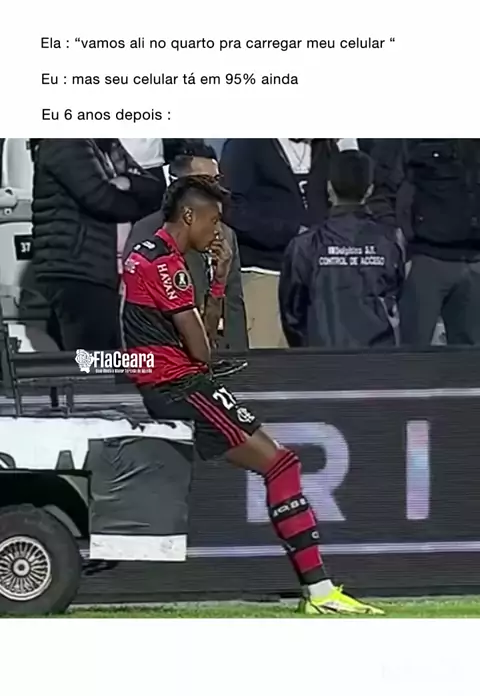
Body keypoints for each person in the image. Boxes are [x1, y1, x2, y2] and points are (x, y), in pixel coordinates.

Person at [122, 175, 382, 615]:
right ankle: (320, 593)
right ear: (189, 215)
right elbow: (203, 350)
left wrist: (218, 280)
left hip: (173, 380)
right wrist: (209, 305)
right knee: (281, 464)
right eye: (213, 221)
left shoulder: (149, 254)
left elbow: (200, 339)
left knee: (281, 464)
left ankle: (319, 591)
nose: (217, 232)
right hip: (179, 385)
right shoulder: (166, 266)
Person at [31, 138, 164, 351]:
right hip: (76, 271)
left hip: (96, 271)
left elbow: (156, 189)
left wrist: (128, 182)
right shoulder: (65, 142)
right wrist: (139, 206)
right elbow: (104, 200)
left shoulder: (106, 145)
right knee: (92, 362)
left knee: (101, 358)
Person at [221, 139, 347, 348]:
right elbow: (232, 209)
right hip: (266, 273)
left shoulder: (324, 146)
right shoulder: (245, 144)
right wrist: (291, 231)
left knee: (318, 362)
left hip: (318, 277)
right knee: (267, 359)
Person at [123, 141, 248, 352]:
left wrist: (239, 354)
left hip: (217, 350)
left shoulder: (226, 234)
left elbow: (233, 303)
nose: (215, 188)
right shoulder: (148, 233)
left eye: (217, 180)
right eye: (206, 182)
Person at [279, 151, 405, 348]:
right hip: (377, 356)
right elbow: (396, 295)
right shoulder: (389, 241)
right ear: (370, 190)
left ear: (329, 188)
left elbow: (292, 314)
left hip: (321, 356)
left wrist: (307, 350)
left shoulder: (305, 244)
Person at [400, 139, 480, 346]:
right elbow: (399, 194)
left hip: (474, 261)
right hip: (428, 259)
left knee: (469, 354)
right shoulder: (416, 142)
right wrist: (408, 244)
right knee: (412, 350)